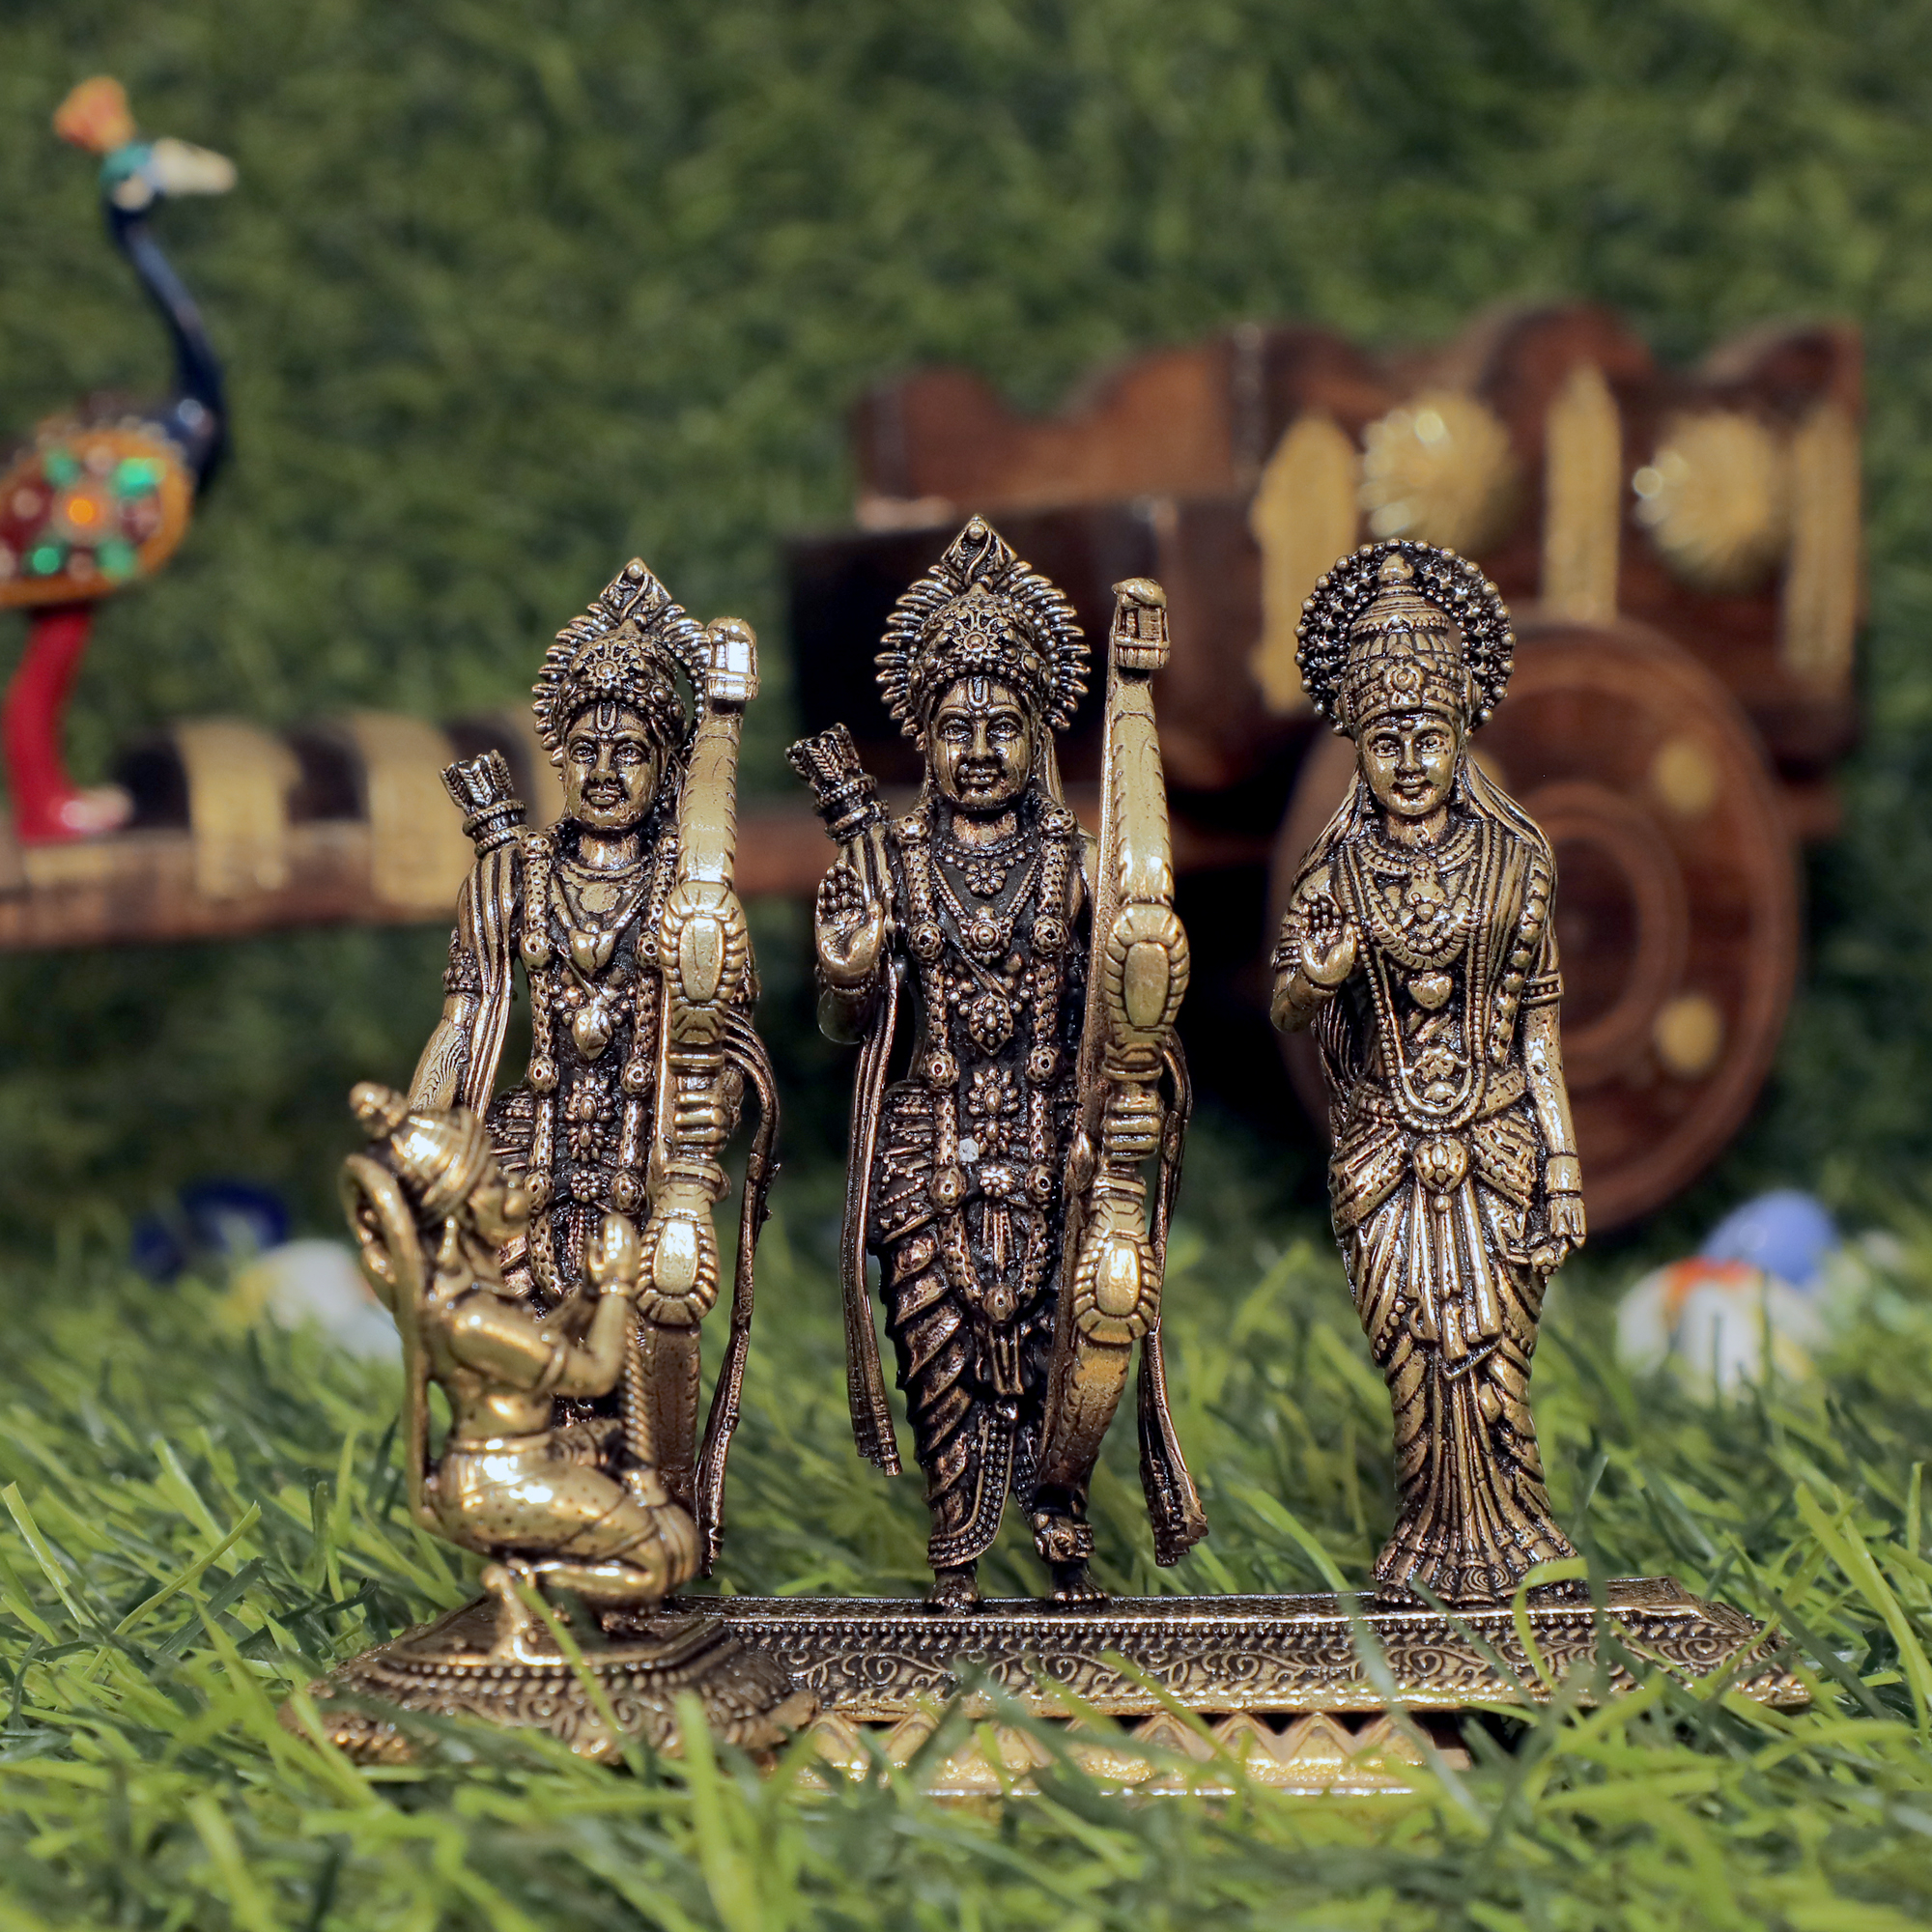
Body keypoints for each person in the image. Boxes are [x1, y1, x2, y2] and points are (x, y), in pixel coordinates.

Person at [802, 517, 1201, 1607]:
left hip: (1050, 1141)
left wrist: (1139, 1091)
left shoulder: (1079, 864)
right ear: (922, 737)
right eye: (954, 728)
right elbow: (846, 1024)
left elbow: (1135, 1010)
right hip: (924, 1154)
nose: (978, 750)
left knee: (1065, 1339)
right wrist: (846, 967)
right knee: (938, 1349)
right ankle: (956, 1545)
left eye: (1003, 727)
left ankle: (1061, 1515)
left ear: (1039, 734)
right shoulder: (891, 863)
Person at [409, 560, 773, 1555]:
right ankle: (538, 1547)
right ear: (557, 757)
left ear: (666, 763)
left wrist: (711, 1104)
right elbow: (465, 1018)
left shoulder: (694, 890)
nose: (605, 770)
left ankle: (648, 1541)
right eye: (584, 749)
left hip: (641, 1160)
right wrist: (423, 1134)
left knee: (649, 1355)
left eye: (630, 750)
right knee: (518, 1364)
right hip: (528, 1164)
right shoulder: (507, 877)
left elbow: (724, 1034)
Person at [1271, 544, 1586, 1605]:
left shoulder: (1516, 862)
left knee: (1495, 1352)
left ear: (1461, 733)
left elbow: (1538, 1026)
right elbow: (1287, 1004)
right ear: (1356, 745)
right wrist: (1314, 979)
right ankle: (1428, 1532)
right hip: (1382, 1151)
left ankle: (1516, 1534)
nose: (1409, 762)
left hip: (1497, 1142)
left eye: (1429, 737)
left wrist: (1562, 1166)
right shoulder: (1333, 871)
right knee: (1413, 1347)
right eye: (1385, 741)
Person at [340, 1082, 698, 1646]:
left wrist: (587, 1296)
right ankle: (525, 1582)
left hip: (521, 1455)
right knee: (659, 1564)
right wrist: (616, 1288)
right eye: (492, 1184)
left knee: (612, 1444)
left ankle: (557, 1585)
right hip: (501, 1479)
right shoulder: (470, 1319)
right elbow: (594, 1375)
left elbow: (532, 1351)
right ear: (455, 1214)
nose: (512, 1193)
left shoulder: (470, 1295)